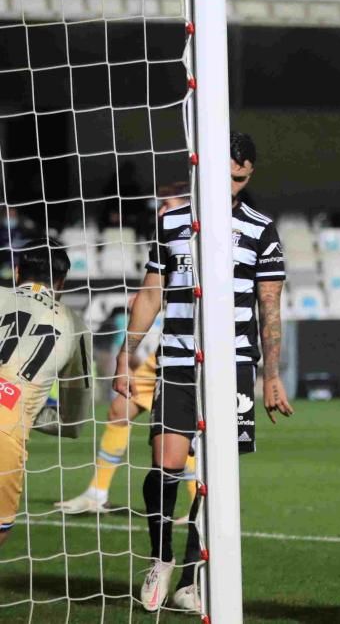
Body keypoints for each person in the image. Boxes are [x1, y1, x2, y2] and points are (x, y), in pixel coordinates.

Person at [114, 132, 294, 612]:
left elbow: (269, 308)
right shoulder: (173, 221)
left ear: (250, 173)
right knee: (164, 465)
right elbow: (151, 293)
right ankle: (161, 559)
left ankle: (192, 578)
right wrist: (126, 355)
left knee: (218, 475)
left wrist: (270, 374)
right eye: (224, 173)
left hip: (233, 364)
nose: (232, 183)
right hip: (176, 360)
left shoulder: (260, 229)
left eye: (240, 175)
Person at [56, 184, 197, 516]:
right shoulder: (169, 241)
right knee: (119, 410)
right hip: (166, 352)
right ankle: (96, 493)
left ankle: (197, 508)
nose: (161, 210)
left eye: (167, 204)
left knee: (182, 430)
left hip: (194, 355)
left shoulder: (201, 242)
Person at [1, 241, 91, 547]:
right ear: (62, 282)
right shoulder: (75, 324)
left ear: (16, 273)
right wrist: (29, 409)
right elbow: (74, 423)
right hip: (7, 427)